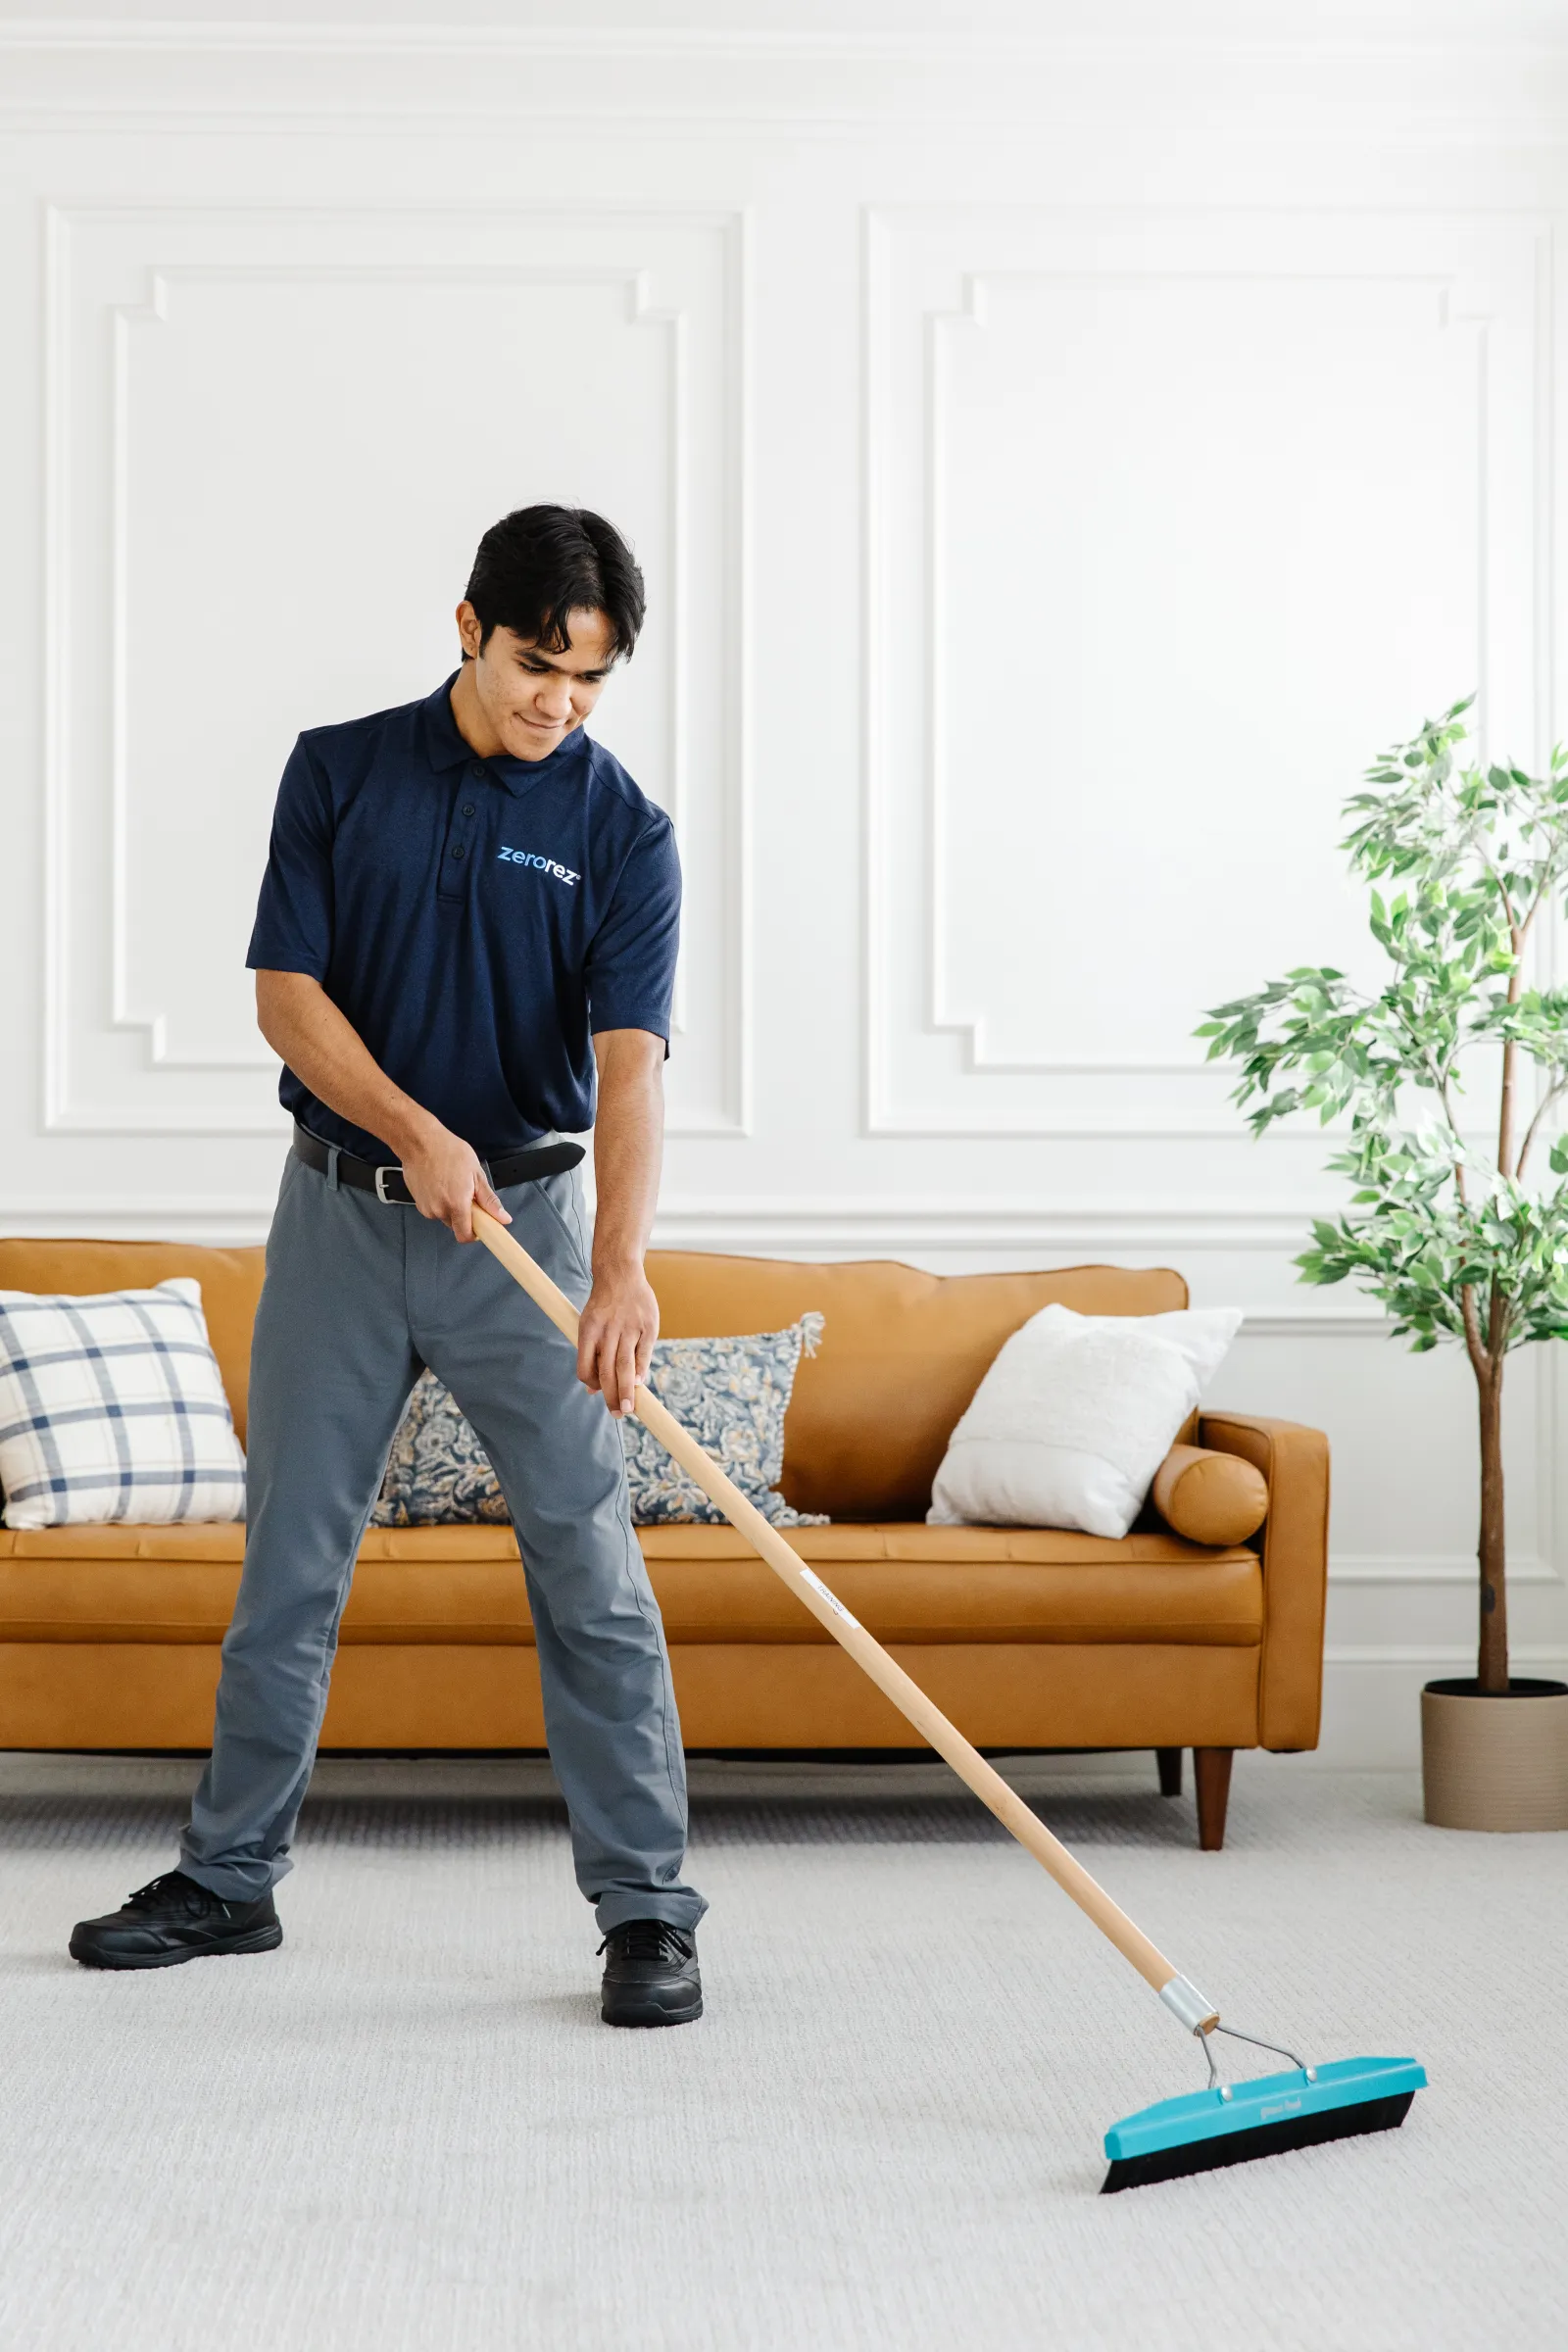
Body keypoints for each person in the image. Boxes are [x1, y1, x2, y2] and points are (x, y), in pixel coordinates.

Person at [69, 505, 706, 2026]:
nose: (561, 702)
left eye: (593, 681)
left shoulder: (625, 833)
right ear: (470, 625)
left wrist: (619, 1271)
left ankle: (647, 1912)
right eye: (540, 664)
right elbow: (289, 1001)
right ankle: (229, 1881)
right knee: (292, 1562)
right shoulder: (339, 771)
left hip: (527, 1242)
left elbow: (629, 1071)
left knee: (592, 1576)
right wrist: (415, 1130)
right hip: (345, 1219)